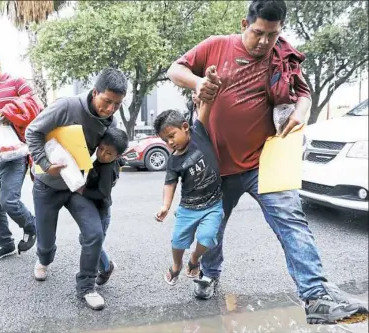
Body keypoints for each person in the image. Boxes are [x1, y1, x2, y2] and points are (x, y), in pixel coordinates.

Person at [167, 0, 367, 324]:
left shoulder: (281, 56)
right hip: (216, 167)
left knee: (292, 221)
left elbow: (303, 93)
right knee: (213, 228)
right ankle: (209, 272)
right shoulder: (216, 47)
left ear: (279, 32)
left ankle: (315, 295)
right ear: (244, 25)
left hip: (263, 163)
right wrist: (198, 82)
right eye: (258, 33)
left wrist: (300, 114)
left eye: (271, 35)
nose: (263, 42)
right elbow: (175, 69)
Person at [25, 68, 128, 310]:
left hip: (76, 186)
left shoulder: (109, 120)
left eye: (117, 104)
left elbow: (105, 151)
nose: (110, 109)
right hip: (47, 185)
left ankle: (86, 286)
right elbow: (33, 131)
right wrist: (45, 163)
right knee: (46, 243)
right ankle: (44, 258)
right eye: (107, 101)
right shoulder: (66, 106)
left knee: (94, 233)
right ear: (95, 92)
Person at [154, 67, 224, 287]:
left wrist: (209, 82)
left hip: (213, 204)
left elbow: (207, 103)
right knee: (177, 241)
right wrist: (166, 206)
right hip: (188, 209)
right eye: (165, 140)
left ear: (185, 127)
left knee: (207, 239)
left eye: (172, 136)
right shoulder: (174, 159)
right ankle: (176, 265)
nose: (170, 142)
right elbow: (170, 183)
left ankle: (194, 260)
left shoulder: (199, 132)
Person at [0, 47, 43, 262]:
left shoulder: (16, 82)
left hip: (15, 156)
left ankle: (32, 226)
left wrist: (7, 113)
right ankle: (5, 244)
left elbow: (35, 105)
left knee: (8, 202)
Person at [77, 127, 129, 286]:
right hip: (96, 210)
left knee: (91, 242)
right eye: (101, 149)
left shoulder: (106, 168)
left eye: (108, 153)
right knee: (87, 240)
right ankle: (104, 266)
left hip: (101, 212)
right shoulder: (105, 161)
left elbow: (102, 193)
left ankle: (106, 267)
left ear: (117, 156)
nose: (102, 155)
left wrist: (83, 191)